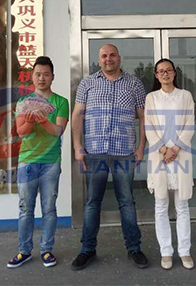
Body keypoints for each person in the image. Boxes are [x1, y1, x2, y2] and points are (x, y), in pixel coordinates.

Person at [71, 44, 149, 270]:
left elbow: (143, 117)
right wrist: (77, 146)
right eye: (104, 56)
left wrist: (141, 146)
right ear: (99, 60)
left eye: (112, 55)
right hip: (94, 152)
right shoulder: (87, 83)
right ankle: (87, 249)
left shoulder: (134, 83)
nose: (108, 59)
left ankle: (134, 248)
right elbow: (77, 115)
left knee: (127, 201)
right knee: (92, 202)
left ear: (119, 58)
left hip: (124, 152)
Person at [7, 56, 69, 269]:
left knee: (49, 209)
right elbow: (22, 133)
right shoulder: (23, 103)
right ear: (32, 77)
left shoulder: (61, 102)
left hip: (51, 162)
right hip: (27, 162)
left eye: (46, 74)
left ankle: (46, 250)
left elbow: (58, 131)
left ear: (52, 77)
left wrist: (42, 119)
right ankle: (24, 251)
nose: (42, 78)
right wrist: (30, 121)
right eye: (38, 74)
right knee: (25, 209)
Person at [144, 58, 196, 270]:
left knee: (182, 206)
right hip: (159, 157)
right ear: (156, 75)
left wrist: (174, 149)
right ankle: (166, 252)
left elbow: (190, 125)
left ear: (174, 73)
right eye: (160, 71)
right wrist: (164, 150)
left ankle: (184, 251)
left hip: (180, 155)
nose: (165, 74)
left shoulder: (185, 96)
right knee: (161, 205)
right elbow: (148, 127)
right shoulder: (151, 98)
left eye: (168, 70)